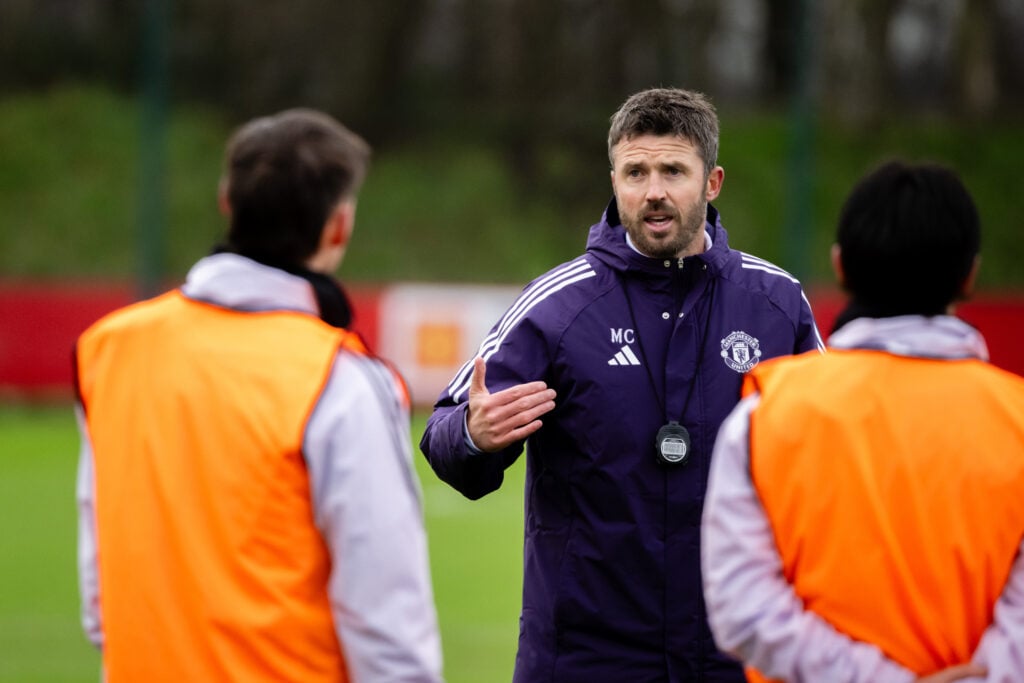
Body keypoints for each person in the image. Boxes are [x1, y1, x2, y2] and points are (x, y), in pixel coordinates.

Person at [420, 87, 824, 681]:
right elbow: (446, 434)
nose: (653, 191)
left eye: (672, 171)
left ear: (712, 183)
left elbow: (832, 456)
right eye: (636, 171)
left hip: (740, 654)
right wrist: (474, 437)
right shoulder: (556, 308)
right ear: (614, 179)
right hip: (585, 659)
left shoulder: (776, 303)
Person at [74, 109, 443, 682]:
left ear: (227, 201)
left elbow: (101, 587)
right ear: (339, 226)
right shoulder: (340, 379)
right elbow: (387, 621)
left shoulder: (108, 349)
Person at [701, 161, 1024, 682]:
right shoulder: (1017, 421)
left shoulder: (766, 416)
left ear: (841, 266)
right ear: (970, 275)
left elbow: (743, 611)